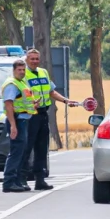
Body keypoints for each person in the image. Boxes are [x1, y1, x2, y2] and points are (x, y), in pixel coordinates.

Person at [22, 48, 80, 191]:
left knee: (42, 148)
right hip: (30, 114)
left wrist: (66, 101)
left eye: (37, 58)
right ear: (26, 60)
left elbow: (51, 92)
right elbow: (21, 93)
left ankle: (40, 180)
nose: (35, 61)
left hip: (43, 113)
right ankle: (22, 179)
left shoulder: (43, 72)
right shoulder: (23, 74)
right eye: (32, 59)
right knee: (27, 148)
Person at [1, 59, 35, 193]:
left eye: (23, 70)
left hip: (22, 120)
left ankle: (16, 181)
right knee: (16, 152)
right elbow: (9, 105)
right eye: (19, 70)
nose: (22, 72)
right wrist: (13, 126)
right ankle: (9, 182)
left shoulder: (21, 83)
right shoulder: (12, 84)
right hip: (16, 121)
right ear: (14, 70)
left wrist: (33, 104)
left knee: (20, 152)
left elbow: (22, 102)